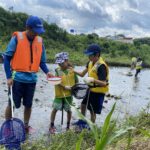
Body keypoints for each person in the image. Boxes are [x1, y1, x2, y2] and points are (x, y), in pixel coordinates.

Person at [3, 15, 53, 133]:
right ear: (27, 27)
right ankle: (7, 126)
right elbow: (6, 58)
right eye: (34, 31)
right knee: (12, 104)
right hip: (17, 78)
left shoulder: (40, 42)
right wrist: (9, 76)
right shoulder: (17, 38)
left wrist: (48, 72)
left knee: (29, 105)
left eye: (38, 32)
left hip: (32, 80)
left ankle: (25, 125)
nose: (36, 34)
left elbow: (41, 62)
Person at [73, 44, 109, 125]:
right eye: (88, 55)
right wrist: (73, 71)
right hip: (90, 89)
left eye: (90, 55)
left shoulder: (101, 66)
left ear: (96, 54)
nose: (88, 57)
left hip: (98, 92)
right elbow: (82, 74)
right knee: (83, 105)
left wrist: (93, 80)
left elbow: (104, 83)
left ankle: (91, 126)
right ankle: (82, 121)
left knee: (92, 111)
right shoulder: (90, 62)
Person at [49, 52, 78, 134]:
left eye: (62, 63)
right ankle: (51, 125)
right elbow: (56, 81)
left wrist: (74, 88)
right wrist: (64, 87)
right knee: (55, 109)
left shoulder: (72, 71)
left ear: (66, 61)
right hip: (59, 95)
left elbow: (76, 81)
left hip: (69, 95)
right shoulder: (58, 71)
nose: (60, 65)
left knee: (68, 110)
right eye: (59, 63)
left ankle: (68, 126)